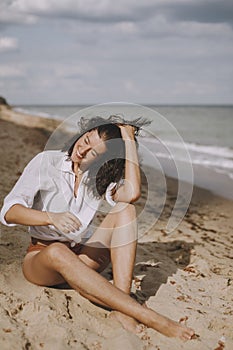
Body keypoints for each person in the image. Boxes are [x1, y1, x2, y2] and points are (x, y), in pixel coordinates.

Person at [0, 115, 194, 340]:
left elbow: (131, 194)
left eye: (93, 152)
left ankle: (122, 310)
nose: (82, 150)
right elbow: (8, 212)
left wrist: (128, 140)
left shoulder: (98, 177)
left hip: (83, 259)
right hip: (43, 262)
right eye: (85, 139)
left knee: (126, 210)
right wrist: (50, 217)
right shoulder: (46, 162)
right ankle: (149, 317)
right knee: (57, 251)